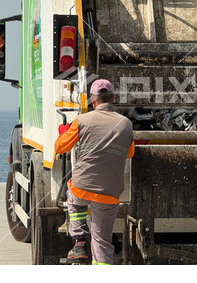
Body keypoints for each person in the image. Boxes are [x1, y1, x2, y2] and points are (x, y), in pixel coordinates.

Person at [54, 79, 134, 265]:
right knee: (102, 241)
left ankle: (80, 241)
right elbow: (129, 154)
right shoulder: (126, 124)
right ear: (113, 98)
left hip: (82, 187)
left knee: (73, 198)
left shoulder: (82, 120)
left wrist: (63, 132)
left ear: (93, 100)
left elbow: (60, 147)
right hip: (109, 194)